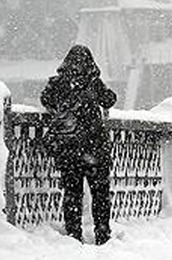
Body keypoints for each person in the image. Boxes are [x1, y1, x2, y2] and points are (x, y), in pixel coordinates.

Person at [40, 44, 118, 244]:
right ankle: (102, 233)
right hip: (94, 149)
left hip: (69, 149)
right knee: (100, 194)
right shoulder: (93, 83)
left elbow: (45, 99)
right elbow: (109, 100)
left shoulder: (58, 83)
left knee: (72, 194)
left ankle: (74, 235)